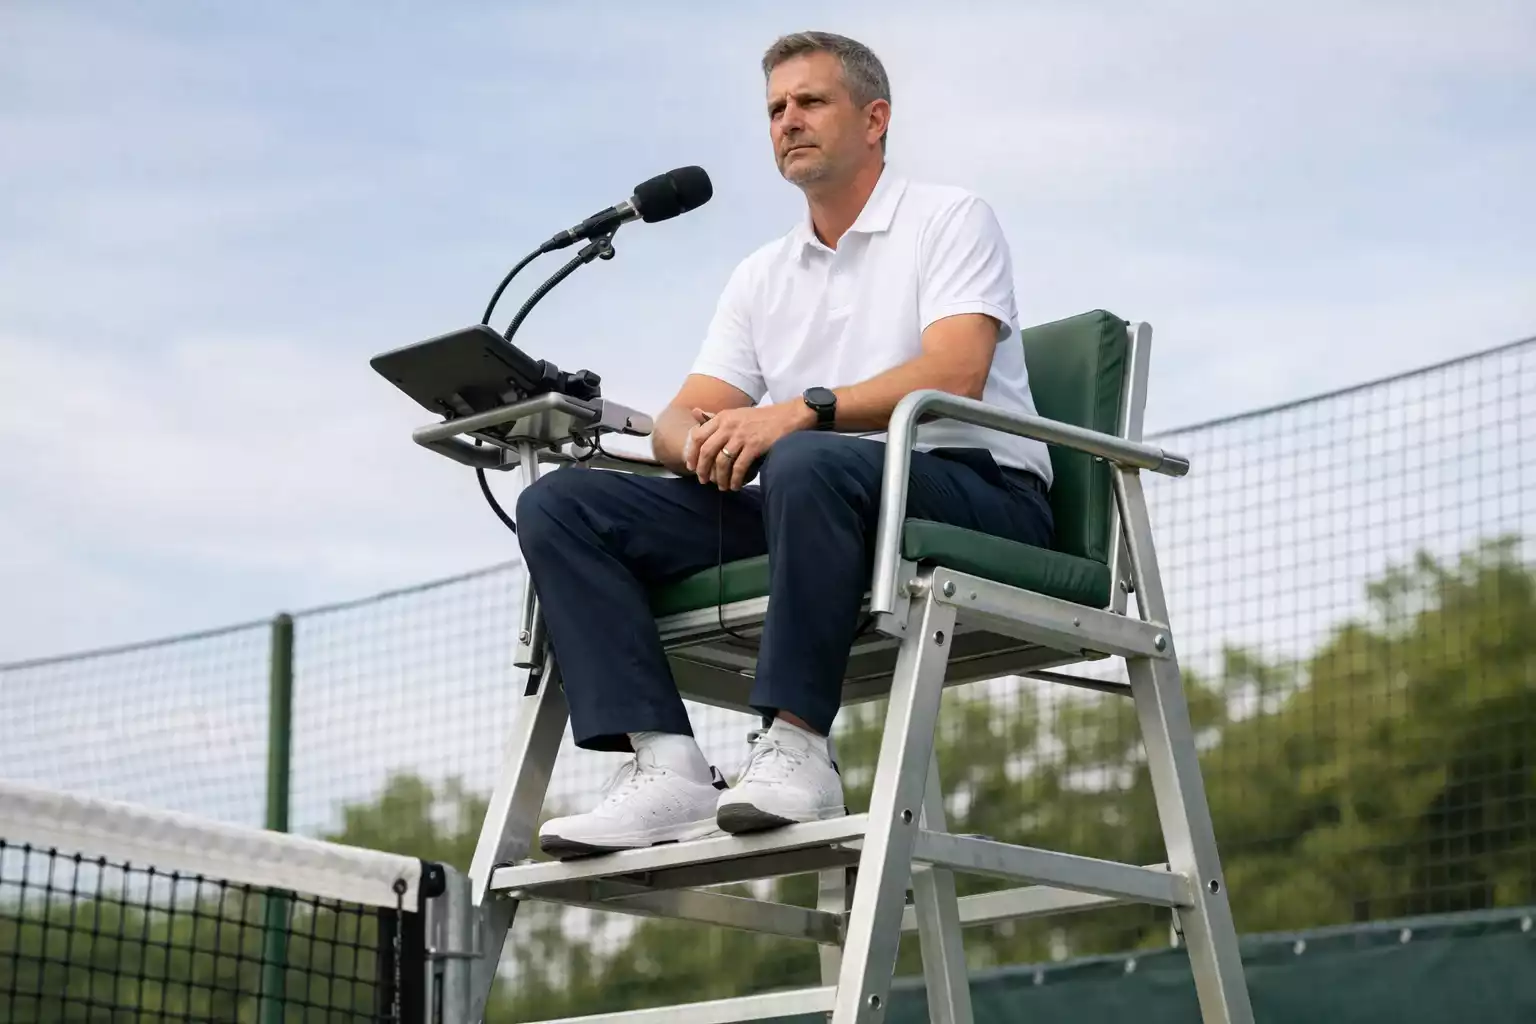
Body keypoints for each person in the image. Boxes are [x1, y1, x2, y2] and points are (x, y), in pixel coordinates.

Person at [515, 30, 1055, 858]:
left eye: (810, 102)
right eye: (775, 109)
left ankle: (798, 748)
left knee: (805, 457)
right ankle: (668, 768)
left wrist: (797, 413)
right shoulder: (760, 274)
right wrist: (701, 441)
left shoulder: (950, 217)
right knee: (561, 503)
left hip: (976, 493)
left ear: (874, 120)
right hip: (820, 497)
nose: (788, 122)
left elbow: (959, 369)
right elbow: (683, 413)